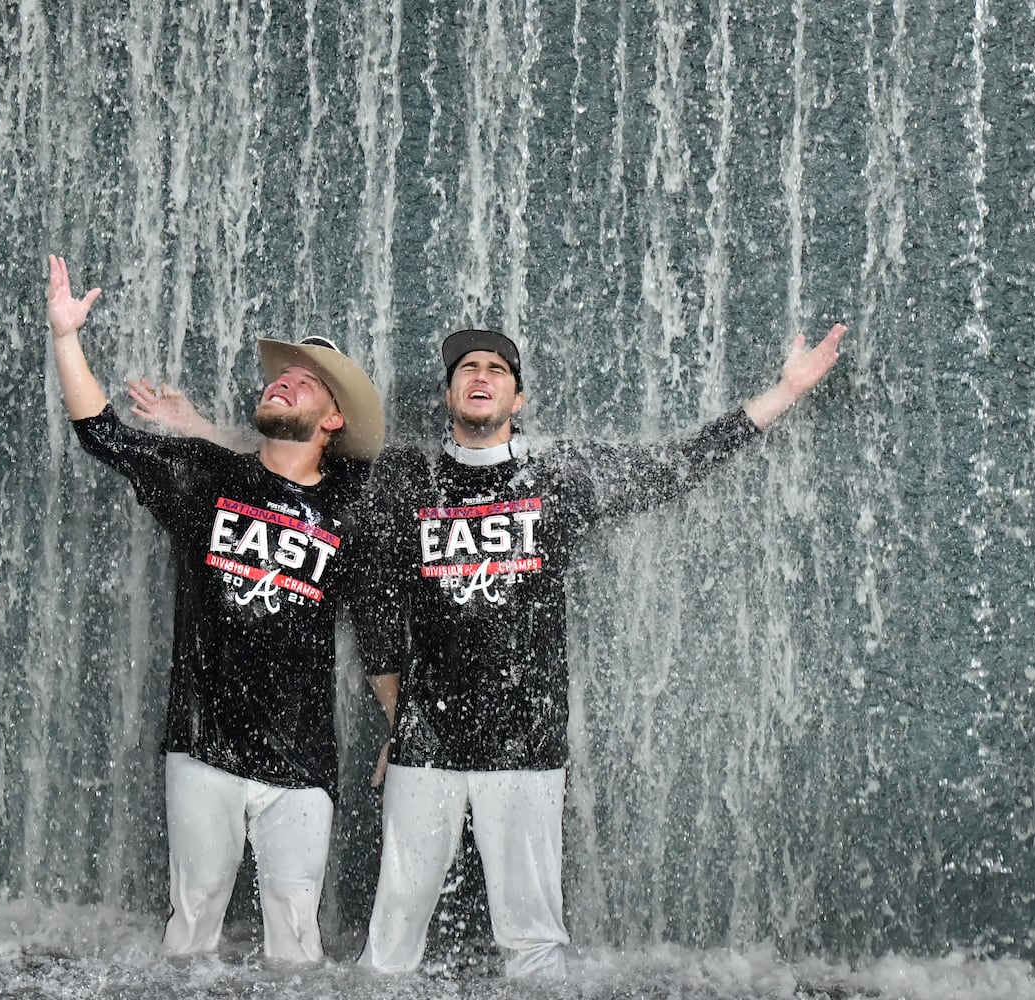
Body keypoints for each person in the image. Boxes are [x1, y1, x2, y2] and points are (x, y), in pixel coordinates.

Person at [355, 323, 846, 978]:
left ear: (517, 400)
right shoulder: (406, 479)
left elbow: (677, 466)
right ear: (447, 395)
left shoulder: (557, 476)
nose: (480, 377)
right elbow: (373, 601)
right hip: (426, 741)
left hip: (524, 742)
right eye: (467, 369)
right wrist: (397, 719)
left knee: (532, 944)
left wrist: (783, 392)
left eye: (496, 371)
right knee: (389, 941)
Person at [44, 254, 388, 963]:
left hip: (302, 759)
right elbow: (102, 432)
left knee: (297, 936)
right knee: (193, 918)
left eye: (307, 384)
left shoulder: (354, 504)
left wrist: (398, 726)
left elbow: (379, 623)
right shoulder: (205, 478)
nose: (284, 381)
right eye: (279, 376)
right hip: (204, 745)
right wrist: (65, 337)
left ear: (333, 419)